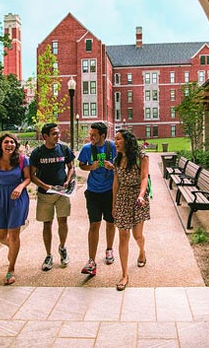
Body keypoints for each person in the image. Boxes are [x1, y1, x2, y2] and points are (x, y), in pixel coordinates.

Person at [0, 133, 31, 285]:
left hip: (18, 199)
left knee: (14, 234)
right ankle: (13, 249)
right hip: (0, 199)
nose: (9, 145)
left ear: (15, 145)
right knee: (1, 236)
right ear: (1, 144)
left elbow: (28, 178)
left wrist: (20, 186)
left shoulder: (22, 160)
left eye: (12, 142)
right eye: (6, 142)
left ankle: (11, 270)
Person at [29, 123, 76, 271]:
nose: (58, 136)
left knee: (63, 221)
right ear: (45, 136)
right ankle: (48, 255)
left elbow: (71, 167)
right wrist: (45, 186)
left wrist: (68, 181)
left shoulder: (64, 149)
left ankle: (62, 248)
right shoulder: (38, 153)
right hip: (45, 195)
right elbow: (32, 175)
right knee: (47, 224)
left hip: (62, 193)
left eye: (58, 133)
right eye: (54, 134)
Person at [112, 128, 150, 291]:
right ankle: (124, 274)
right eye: (115, 139)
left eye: (119, 139)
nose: (116, 142)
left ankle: (142, 251)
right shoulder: (117, 160)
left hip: (137, 198)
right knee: (123, 235)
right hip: (122, 197)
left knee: (137, 235)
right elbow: (116, 184)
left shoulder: (142, 157)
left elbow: (144, 178)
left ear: (127, 141)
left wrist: (141, 195)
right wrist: (113, 205)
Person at [77, 121, 117, 276]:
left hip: (109, 191)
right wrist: (90, 167)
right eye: (90, 134)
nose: (91, 137)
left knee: (110, 222)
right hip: (93, 191)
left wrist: (111, 166)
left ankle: (109, 249)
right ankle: (91, 260)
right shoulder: (87, 149)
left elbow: (122, 165)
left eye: (94, 135)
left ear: (103, 135)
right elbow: (81, 165)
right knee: (94, 225)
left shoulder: (112, 147)